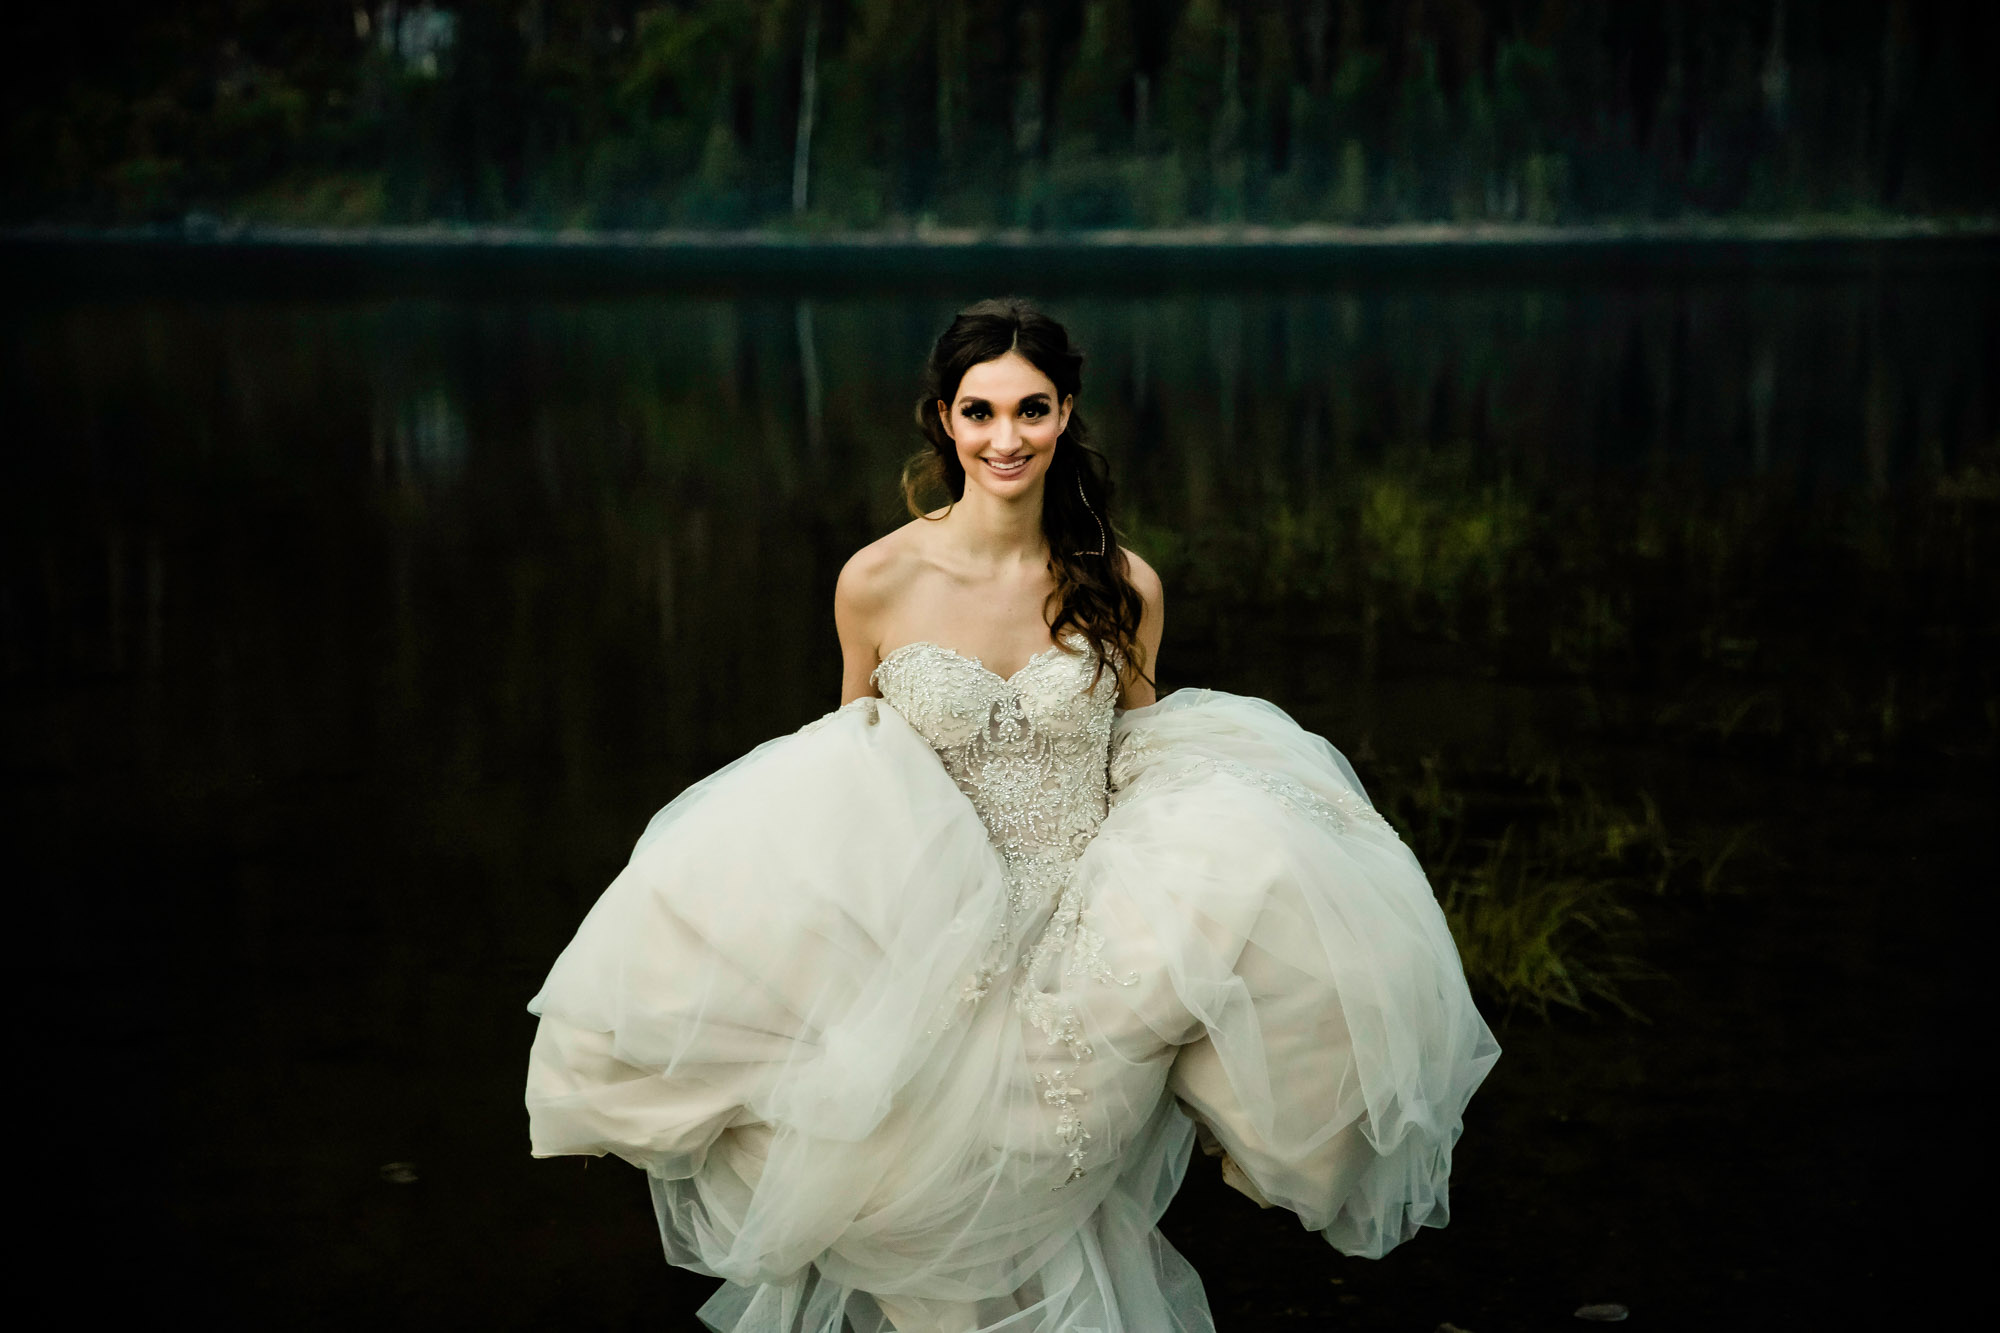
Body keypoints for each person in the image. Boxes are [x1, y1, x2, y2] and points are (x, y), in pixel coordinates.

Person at [525, 298, 1500, 1333]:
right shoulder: (876, 579)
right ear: (943, 418)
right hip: (934, 943)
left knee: (1042, 1201)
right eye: (979, 412)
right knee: (916, 1226)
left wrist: (1245, 918)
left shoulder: (1122, 587)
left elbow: (1145, 758)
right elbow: (848, 768)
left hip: (1083, 953)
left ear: (1064, 411)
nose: (1006, 438)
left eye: (1030, 410)